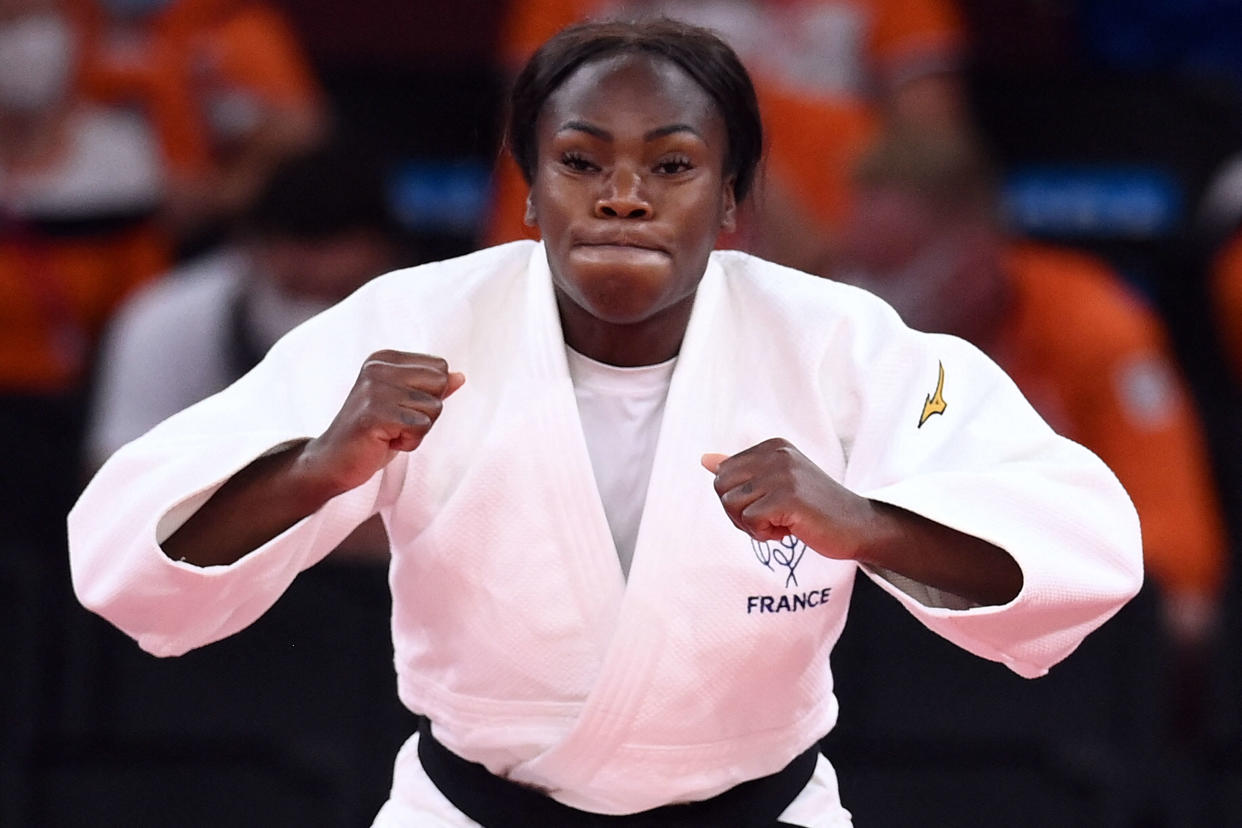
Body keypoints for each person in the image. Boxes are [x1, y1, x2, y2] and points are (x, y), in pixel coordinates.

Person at [68, 19, 1143, 826]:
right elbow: (123, 561)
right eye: (581, 162)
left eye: (672, 166)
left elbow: (1079, 552)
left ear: (730, 202)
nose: (622, 195)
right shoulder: (413, 326)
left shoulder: (843, 348)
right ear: (530, 192)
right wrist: (316, 467)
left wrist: (865, 523)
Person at [835, 128, 1226, 654]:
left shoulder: (1096, 326)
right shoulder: (836, 338)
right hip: (879, 650)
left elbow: (1180, 562)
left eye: (898, 267)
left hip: (1054, 639)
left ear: (975, 246)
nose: (874, 295)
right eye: (864, 267)